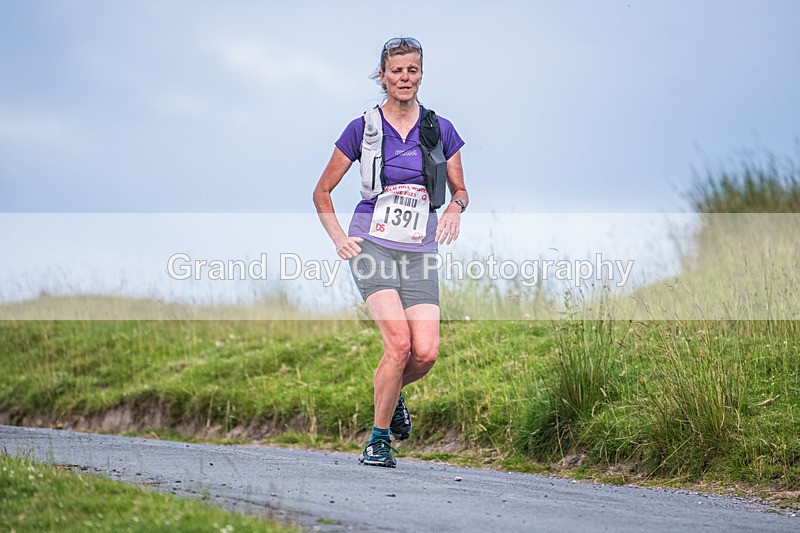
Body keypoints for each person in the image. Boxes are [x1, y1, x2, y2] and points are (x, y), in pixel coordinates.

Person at [312, 37, 468, 468]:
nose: (405, 78)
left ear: (421, 75)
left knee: (426, 353)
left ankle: (392, 391)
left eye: (412, 70)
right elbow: (322, 192)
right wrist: (339, 238)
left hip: (419, 249)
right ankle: (378, 441)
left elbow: (460, 189)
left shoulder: (440, 128)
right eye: (396, 71)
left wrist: (455, 209)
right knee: (398, 345)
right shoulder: (362, 128)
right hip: (373, 244)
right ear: (382, 76)